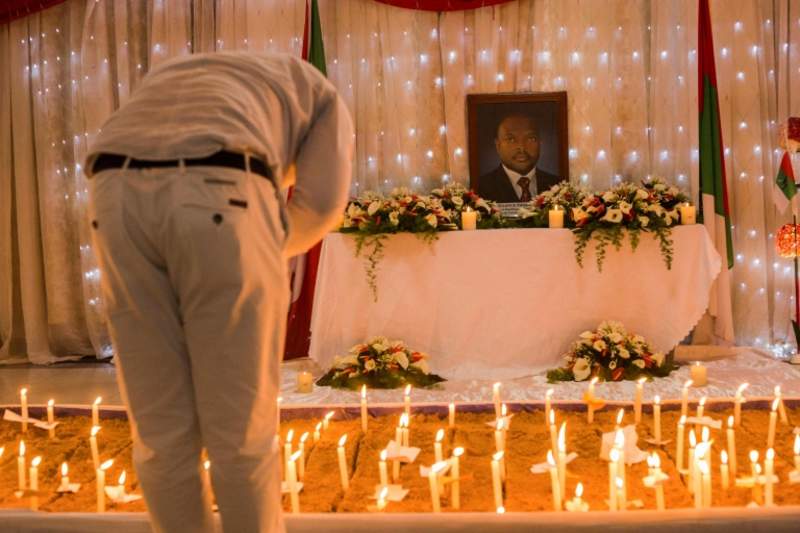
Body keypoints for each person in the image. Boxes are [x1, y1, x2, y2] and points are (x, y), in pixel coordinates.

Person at [85, 51, 353, 533]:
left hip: (112, 193)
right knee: (241, 432)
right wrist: (261, 245)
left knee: (161, 429)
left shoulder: (182, 73)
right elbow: (322, 204)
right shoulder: (321, 95)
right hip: (220, 187)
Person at [476, 112, 560, 203]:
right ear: (498, 145)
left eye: (530, 138)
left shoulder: (557, 186)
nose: (521, 148)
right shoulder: (481, 188)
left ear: (540, 142)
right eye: (511, 139)